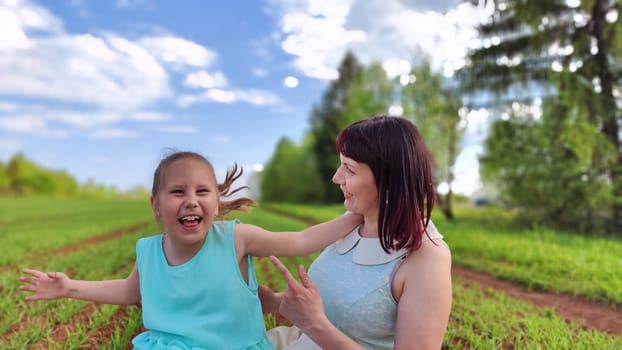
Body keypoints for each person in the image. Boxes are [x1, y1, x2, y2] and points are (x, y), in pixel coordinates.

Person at [19, 150, 362, 350]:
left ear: (215, 202)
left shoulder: (236, 239)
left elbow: (300, 241)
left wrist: (356, 215)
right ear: (156, 206)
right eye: (177, 192)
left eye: (202, 191)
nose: (191, 201)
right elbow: (128, 291)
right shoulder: (150, 251)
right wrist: (68, 288)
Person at [264, 115, 452, 349]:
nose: (336, 178)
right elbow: (335, 304)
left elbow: (320, 322)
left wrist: (314, 325)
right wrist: (274, 301)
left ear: (389, 180)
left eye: (349, 169)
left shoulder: (426, 258)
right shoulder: (352, 223)